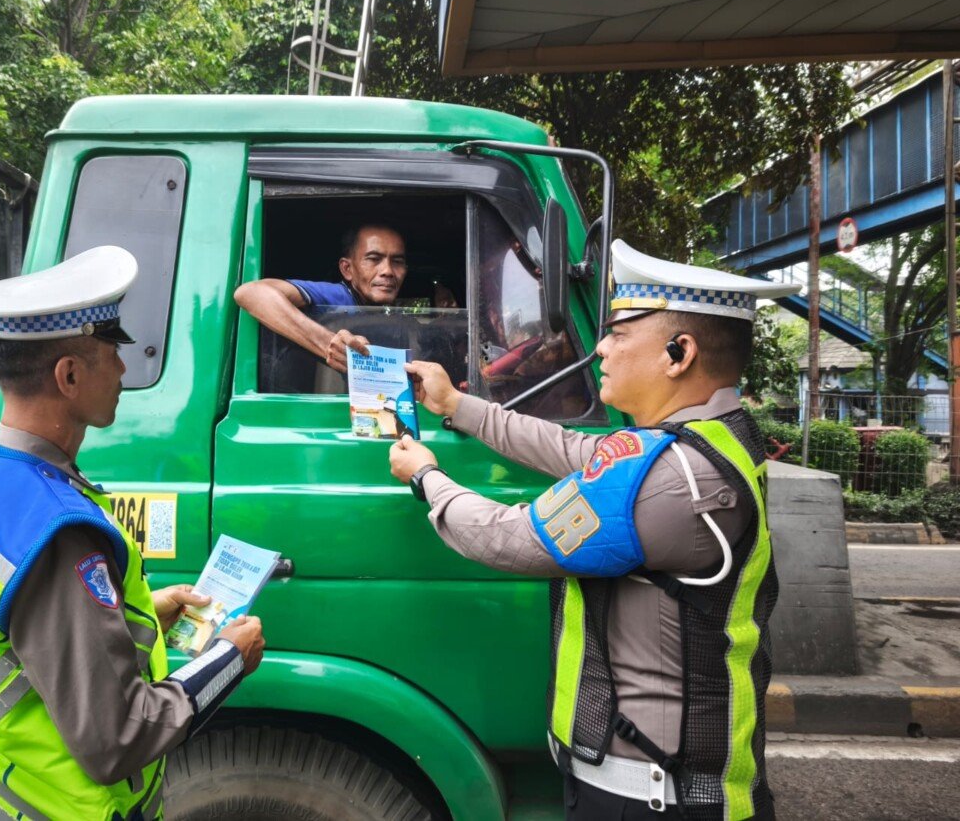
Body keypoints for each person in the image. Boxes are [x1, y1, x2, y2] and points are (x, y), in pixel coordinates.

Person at [388, 239, 798, 821]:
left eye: (620, 333)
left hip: (652, 793)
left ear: (678, 353)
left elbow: (511, 537)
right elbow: (573, 447)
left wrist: (425, 477)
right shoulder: (706, 440)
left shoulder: (671, 481)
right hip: (653, 775)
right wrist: (458, 404)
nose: (600, 347)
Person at [0, 246, 265, 820]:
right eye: (113, 353)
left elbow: (13, 641)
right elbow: (118, 739)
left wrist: (143, 610)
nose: (124, 370)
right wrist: (228, 659)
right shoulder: (57, 532)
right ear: (70, 375)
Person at [234, 223, 408, 372]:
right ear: (347, 269)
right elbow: (250, 292)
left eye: (397, 261)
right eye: (374, 259)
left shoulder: (379, 314)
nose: (388, 271)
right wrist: (329, 343)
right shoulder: (337, 296)